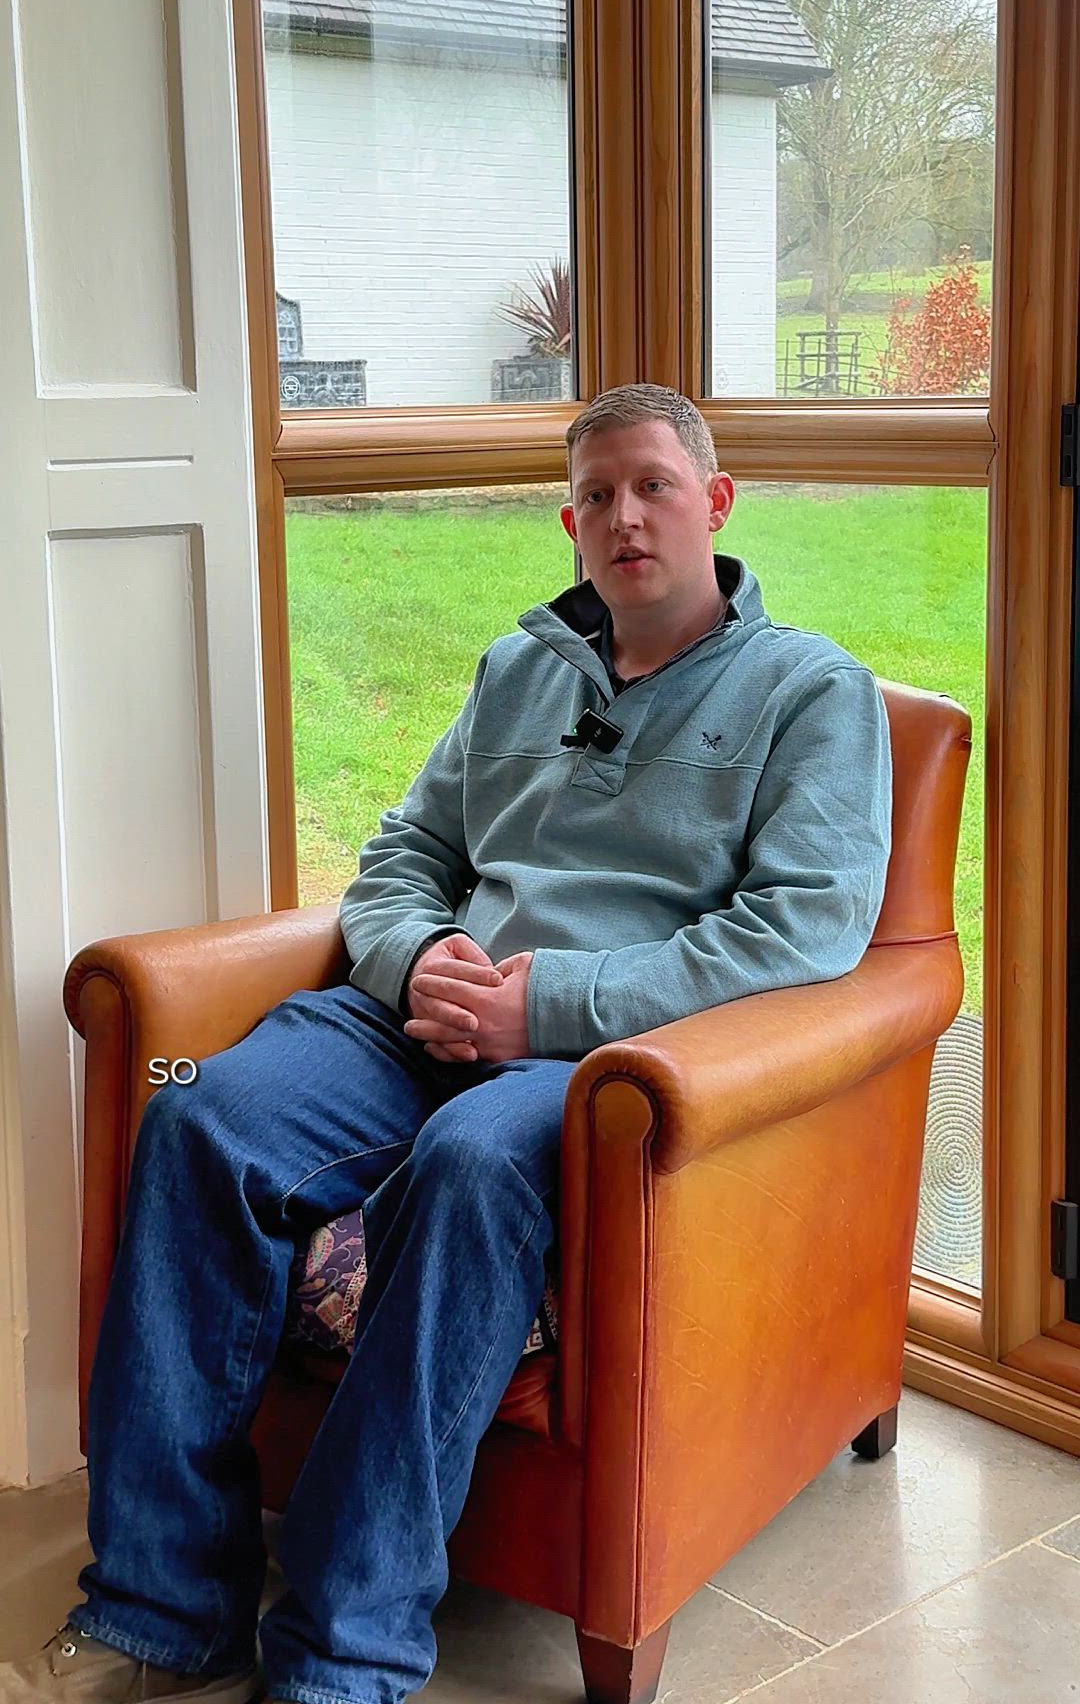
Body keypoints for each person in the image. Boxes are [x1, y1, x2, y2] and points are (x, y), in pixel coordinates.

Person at [1, 384, 892, 1704]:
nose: (624, 516)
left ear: (714, 502)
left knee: (471, 1167)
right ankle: (158, 1612)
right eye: (595, 496)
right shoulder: (519, 670)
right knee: (199, 1115)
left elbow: (801, 933)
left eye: (652, 485)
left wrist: (549, 1007)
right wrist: (416, 956)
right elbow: (406, 853)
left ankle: (342, 1656)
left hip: (596, 1066)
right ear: (570, 524)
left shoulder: (811, 692)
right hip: (414, 1019)